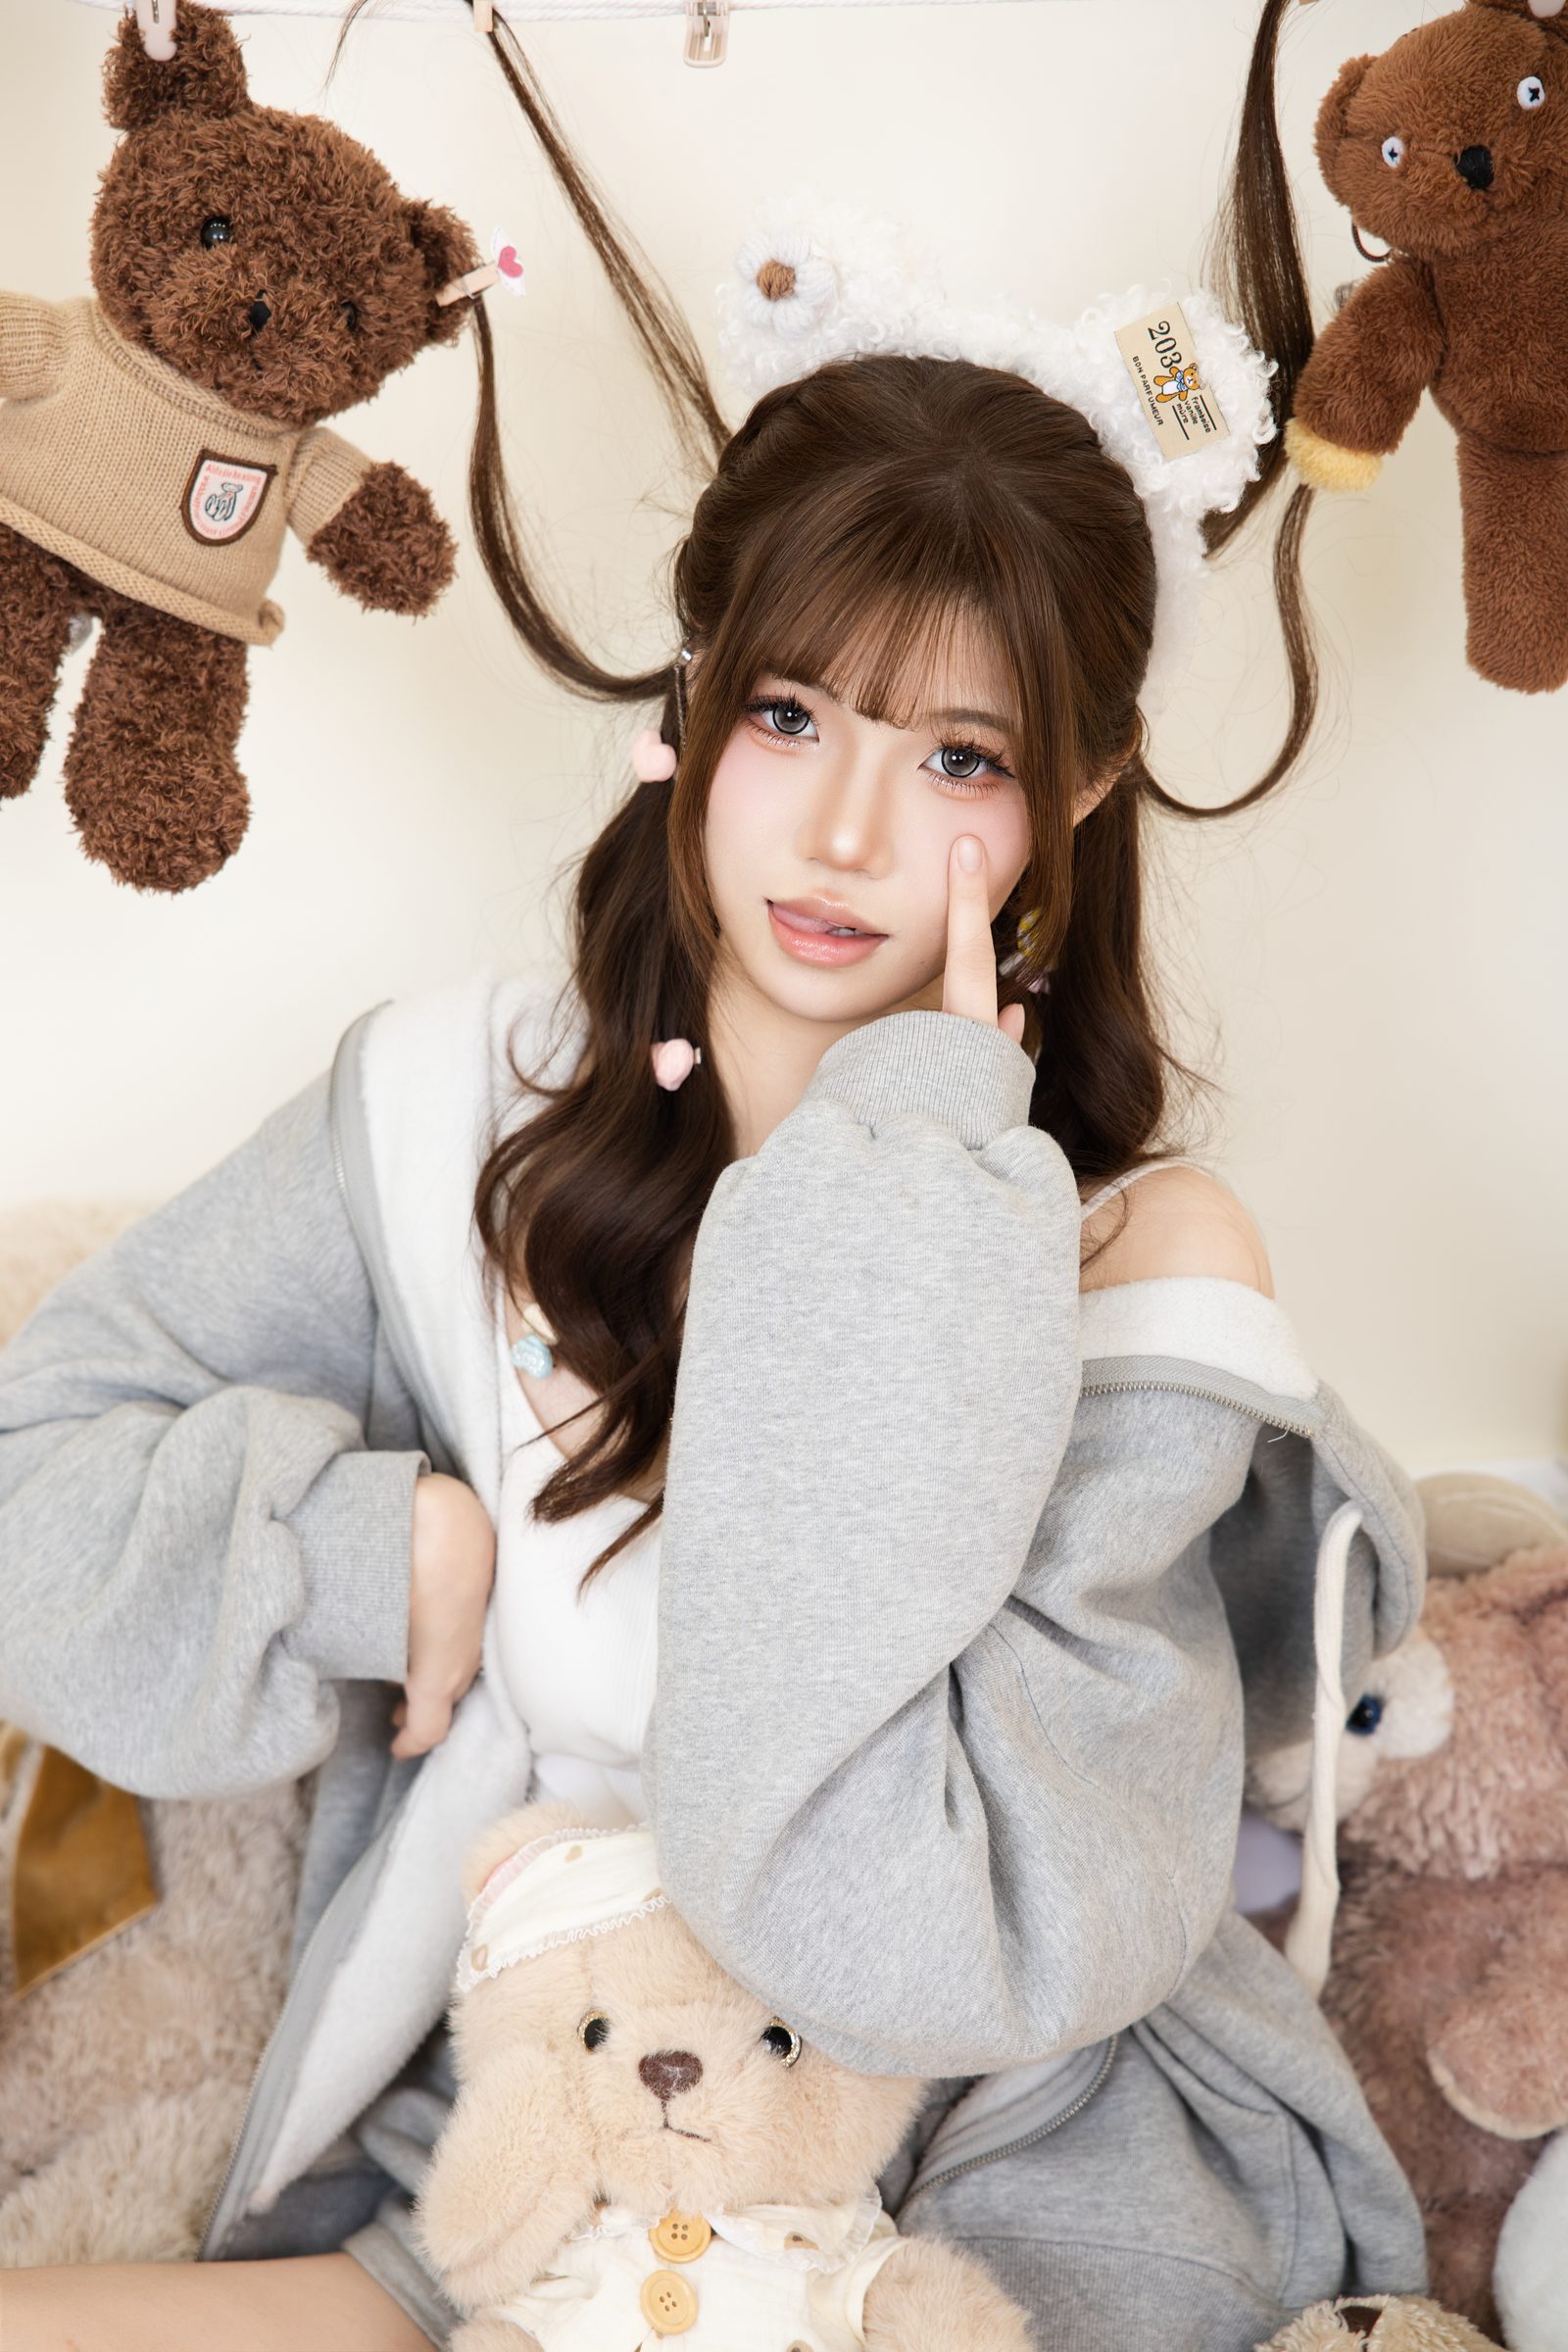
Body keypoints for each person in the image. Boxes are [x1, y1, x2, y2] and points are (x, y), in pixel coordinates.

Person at [0, 43, 1426, 2352]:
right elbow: (28, 1481)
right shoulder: (459, 1115)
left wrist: (911, 1182)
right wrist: (369, 1548)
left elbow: (904, 1942)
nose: (845, 832)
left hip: (1001, 2218)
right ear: (691, 708)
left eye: (953, 755)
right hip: (530, 2186)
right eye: (788, 717)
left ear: (1072, 798)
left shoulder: (1131, 1261)